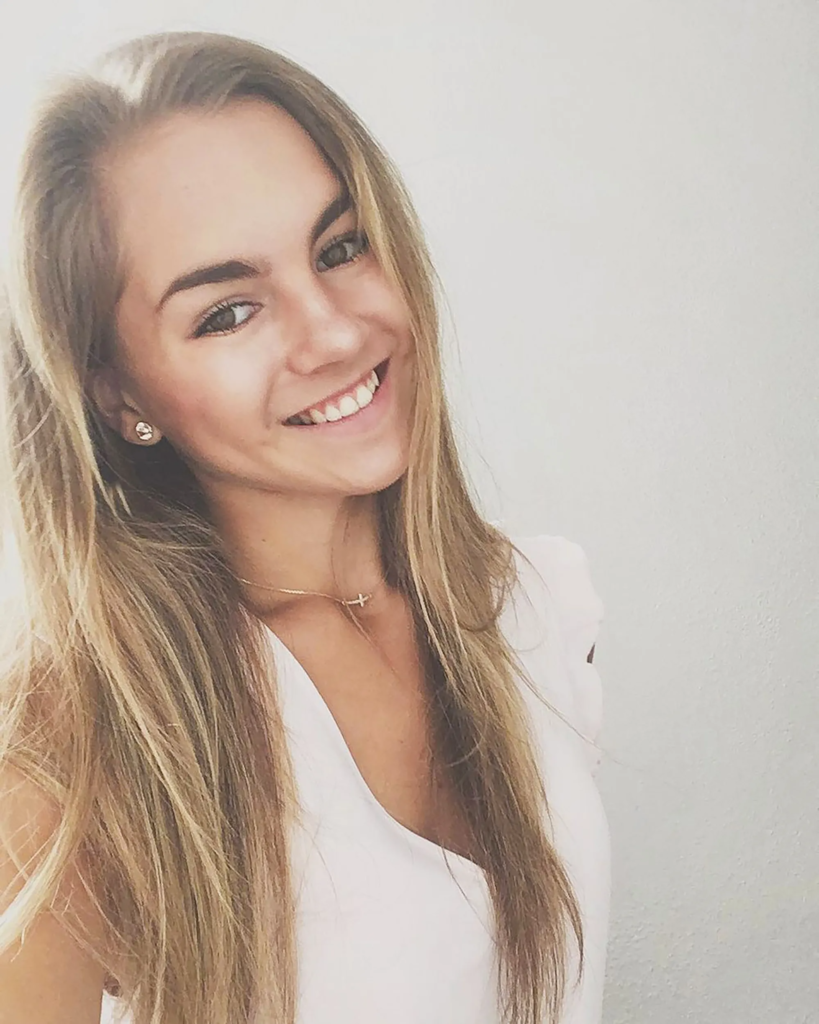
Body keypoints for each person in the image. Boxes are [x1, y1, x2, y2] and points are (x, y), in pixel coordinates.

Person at [0, 30, 609, 1024]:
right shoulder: (71, 744)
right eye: (227, 312)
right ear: (118, 396)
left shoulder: (534, 609)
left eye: (341, 247)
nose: (332, 330)